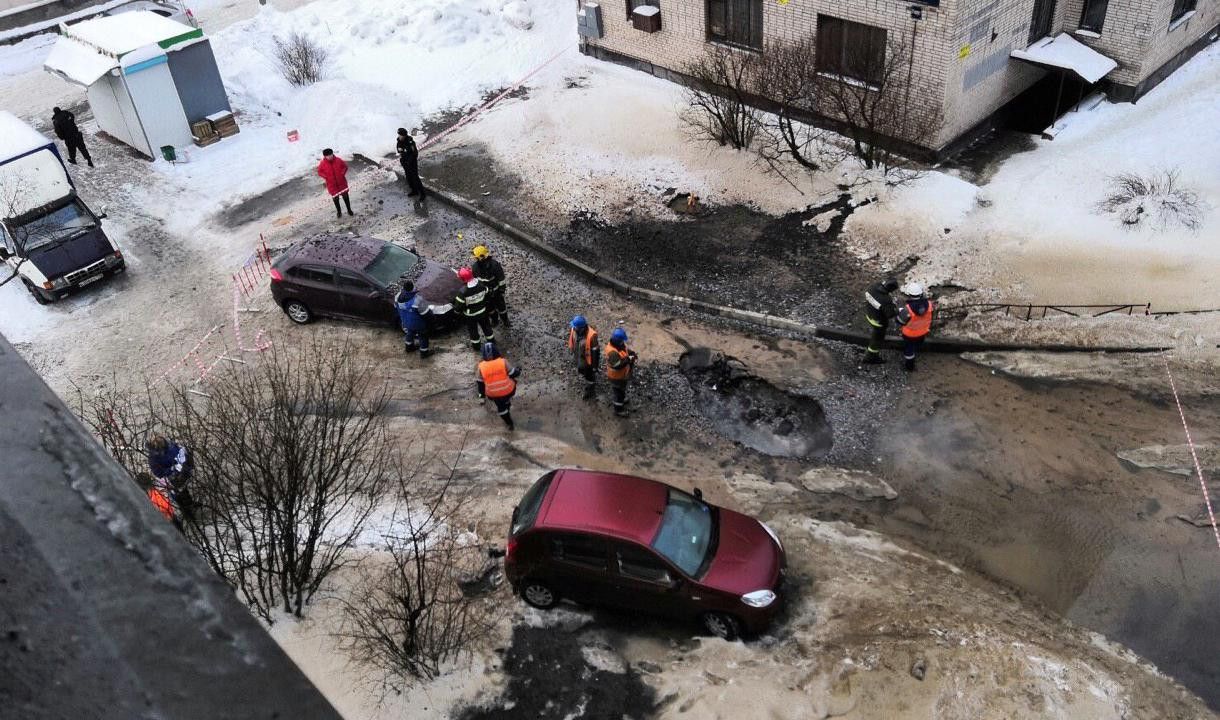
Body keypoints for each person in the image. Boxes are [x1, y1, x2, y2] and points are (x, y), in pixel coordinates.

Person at [147, 434, 193, 521]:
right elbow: (158, 472)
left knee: (184, 490)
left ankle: (190, 504)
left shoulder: (170, 447)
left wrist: (181, 459)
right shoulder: (153, 458)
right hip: (170, 479)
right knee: (178, 495)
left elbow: (179, 452)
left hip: (181, 472)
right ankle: (187, 513)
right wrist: (172, 469)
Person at [476, 342, 520, 430]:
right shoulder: (503, 361)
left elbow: (480, 384)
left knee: (501, 406)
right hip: (508, 390)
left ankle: (508, 422)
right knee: (513, 381)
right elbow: (513, 374)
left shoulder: (481, 367)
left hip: (493, 394)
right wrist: (518, 370)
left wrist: (481, 397)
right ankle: (507, 402)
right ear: (496, 352)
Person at [896, 282, 934, 372]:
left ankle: (910, 367)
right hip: (923, 331)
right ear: (921, 293)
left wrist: (901, 312)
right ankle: (918, 349)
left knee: (909, 350)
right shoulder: (929, 304)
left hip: (910, 334)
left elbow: (899, 321)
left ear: (909, 294)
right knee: (918, 343)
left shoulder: (908, 309)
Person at [454, 267, 494, 351]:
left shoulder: (463, 292)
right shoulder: (481, 284)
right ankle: (492, 341)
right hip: (483, 311)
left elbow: (458, 306)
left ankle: (476, 347)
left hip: (470, 316)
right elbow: (488, 295)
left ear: (462, 279)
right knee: (486, 327)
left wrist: (457, 312)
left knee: (473, 331)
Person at [862, 278, 899, 364]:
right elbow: (890, 314)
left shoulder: (872, 287)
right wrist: (898, 310)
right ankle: (871, 357)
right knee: (877, 339)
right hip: (878, 322)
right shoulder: (886, 299)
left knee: (875, 333)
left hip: (869, 314)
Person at [471, 242, 509, 327]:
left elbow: (501, 279)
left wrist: (502, 290)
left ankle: (505, 321)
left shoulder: (494, 265)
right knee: (490, 309)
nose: (475, 259)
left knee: (502, 308)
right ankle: (495, 320)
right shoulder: (475, 267)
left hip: (496, 292)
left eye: (476, 257)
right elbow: (475, 280)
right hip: (485, 293)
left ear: (481, 257)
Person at [604, 327, 637, 417]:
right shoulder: (612, 352)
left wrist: (631, 353)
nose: (623, 342)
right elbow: (617, 365)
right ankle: (618, 409)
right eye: (622, 340)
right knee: (618, 393)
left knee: (621, 390)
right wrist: (628, 359)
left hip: (621, 376)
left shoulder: (618, 345)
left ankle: (621, 400)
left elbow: (624, 350)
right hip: (616, 377)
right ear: (618, 340)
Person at [566, 315, 599, 399]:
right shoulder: (574, 329)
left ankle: (590, 387)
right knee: (581, 371)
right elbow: (572, 341)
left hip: (587, 362)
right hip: (578, 357)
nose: (573, 328)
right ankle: (587, 377)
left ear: (581, 328)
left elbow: (596, 352)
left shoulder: (592, 336)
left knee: (589, 375)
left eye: (575, 327)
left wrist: (595, 366)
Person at [394, 281, 430, 357]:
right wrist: (432, 320)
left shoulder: (397, 296)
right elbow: (425, 313)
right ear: (412, 288)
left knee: (410, 332)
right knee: (423, 336)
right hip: (418, 324)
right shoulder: (417, 300)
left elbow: (396, 307)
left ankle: (409, 347)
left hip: (405, 321)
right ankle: (424, 353)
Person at [316, 148, 353, 218]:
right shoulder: (322, 163)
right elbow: (319, 172)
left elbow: (345, 167)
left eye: (330, 155)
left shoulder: (338, 160)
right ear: (325, 156)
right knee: (336, 199)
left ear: (332, 153)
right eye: (327, 156)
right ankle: (339, 212)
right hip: (332, 185)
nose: (329, 157)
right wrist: (326, 176)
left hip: (342, 183)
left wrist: (342, 174)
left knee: (346, 197)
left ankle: (349, 209)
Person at [396, 128, 427, 201]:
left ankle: (422, 194)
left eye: (400, 135)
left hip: (412, 163)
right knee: (409, 178)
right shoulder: (399, 142)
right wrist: (403, 160)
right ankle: (414, 191)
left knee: (415, 178)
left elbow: (414, 153)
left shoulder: (410, 142)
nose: (399, 136)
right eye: (399, 135)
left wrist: (410, 161)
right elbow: (400, 151)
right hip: (405, 162)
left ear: (404, 135)